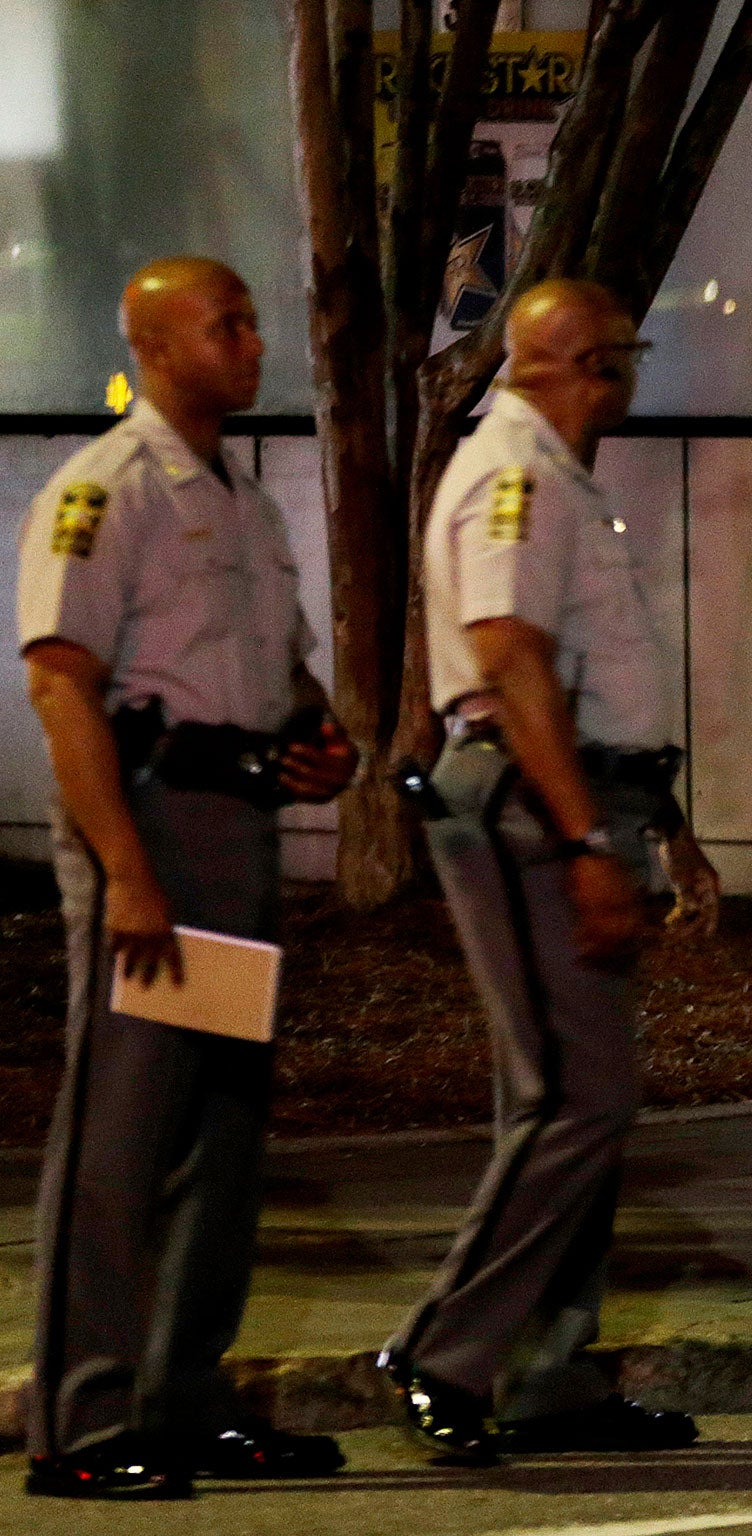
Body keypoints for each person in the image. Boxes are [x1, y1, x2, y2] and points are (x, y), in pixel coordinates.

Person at [17, 257, 359, 1499]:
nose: (252, 342)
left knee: (218, 1133)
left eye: (252, 322)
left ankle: (184, 1397)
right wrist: (124, 875)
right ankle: (82, 1423)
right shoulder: (105, 495)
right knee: (120, 1133)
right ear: (154, 344)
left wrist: (318, 741)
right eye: (226, 325)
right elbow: (63, 685)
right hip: (150, 829)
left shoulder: (243, 499)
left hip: (234, 826)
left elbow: (279, 671)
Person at [380, 278, 699, 1465]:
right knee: (576, 1100)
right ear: (574, 365)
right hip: (526, 809)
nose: (626, 379)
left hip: (574, 802)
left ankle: (548, 1370)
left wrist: (657, 824)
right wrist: (579, 845)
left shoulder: (552, 478)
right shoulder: (514, 477)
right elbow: (510, 662)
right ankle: (444, 1350)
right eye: (618, 358)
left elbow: (589, 679)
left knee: (576, 1103)